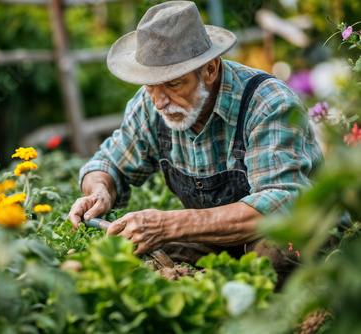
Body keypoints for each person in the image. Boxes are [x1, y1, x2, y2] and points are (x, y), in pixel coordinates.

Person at [67, 1, 323, 285]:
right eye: (150, 85)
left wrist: (168, 224)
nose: (159, 101)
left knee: (274, 257)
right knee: (138, 252)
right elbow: (108, 163)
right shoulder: (150, 104)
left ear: (210, 70)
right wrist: (100, 189)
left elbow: (280, 205)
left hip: (296, 232)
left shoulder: (267, 103)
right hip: (217, 241)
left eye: (173, 84)